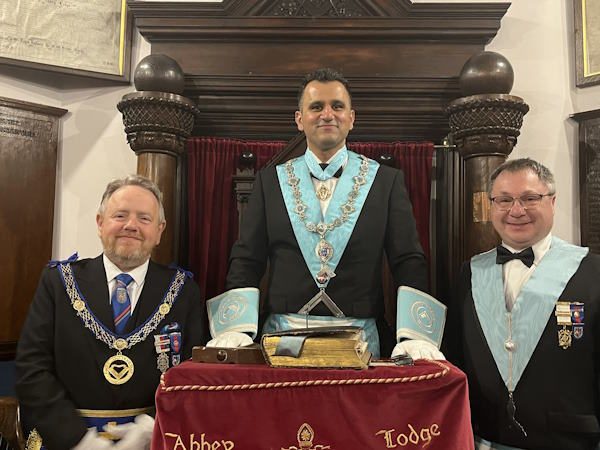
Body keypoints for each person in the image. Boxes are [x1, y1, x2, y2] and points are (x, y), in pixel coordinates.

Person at [205, 67, 445, 360]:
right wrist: (236, 327)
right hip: (283, 337)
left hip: (361, 339)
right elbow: (247, 259)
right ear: (299, 119)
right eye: (316, 106)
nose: (327, 114)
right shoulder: (269, 182)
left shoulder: (386, 182)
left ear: (351, 118)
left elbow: (407, 260)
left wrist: (414, 334)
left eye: (337, 106)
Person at [15, 175, 206, 450]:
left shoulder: (182, 290)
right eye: (120, 215)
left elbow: (191, 375)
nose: (131, 226)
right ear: (100, 222)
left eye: (144, 218)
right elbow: (32, 370)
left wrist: (151, 429)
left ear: (160, 230)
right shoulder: (58, 283)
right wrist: (77, 440)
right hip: (65, 440)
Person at [445, 158, 600, 450]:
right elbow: (456, 356)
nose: (516, 210)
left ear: (552, 202)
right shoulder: (469, 273)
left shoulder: (593, 273)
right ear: (491, 205)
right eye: (504, 200)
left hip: (569, 442)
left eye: (530, 198)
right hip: (483, 438)